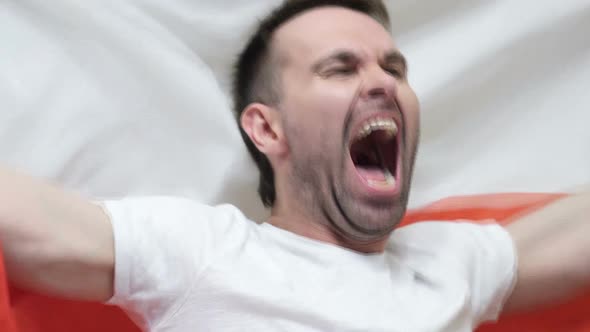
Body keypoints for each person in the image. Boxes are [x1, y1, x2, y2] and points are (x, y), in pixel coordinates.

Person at [0, 0, 588, 331]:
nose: (382, 82)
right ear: (266, 128)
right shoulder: (205, 249)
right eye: (341, 68)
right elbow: (34, 227)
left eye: (395, 68)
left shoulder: (446, 264)